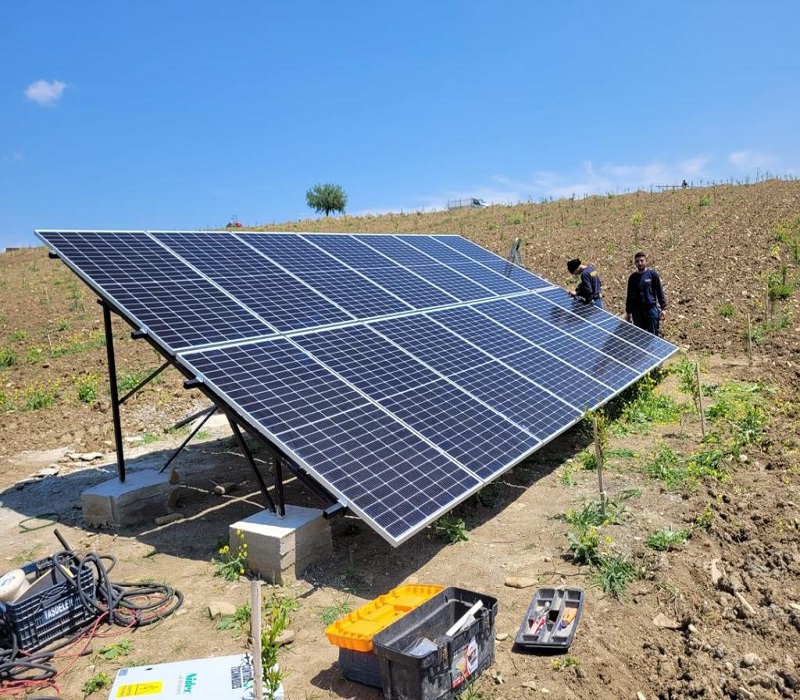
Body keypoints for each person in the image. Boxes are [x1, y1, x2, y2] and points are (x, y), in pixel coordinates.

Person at [625, 251, 667, 335]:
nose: (640, 263)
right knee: (641, 336)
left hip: (651, 309)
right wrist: (628, 312)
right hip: (637, 311)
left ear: (646, 261)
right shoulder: (632, 278)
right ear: (635, 263)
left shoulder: (652, 275)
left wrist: (664, 308)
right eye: (637, 261)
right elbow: (629, 296)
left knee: (653, 335)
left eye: (641, 261)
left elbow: (659, 291)